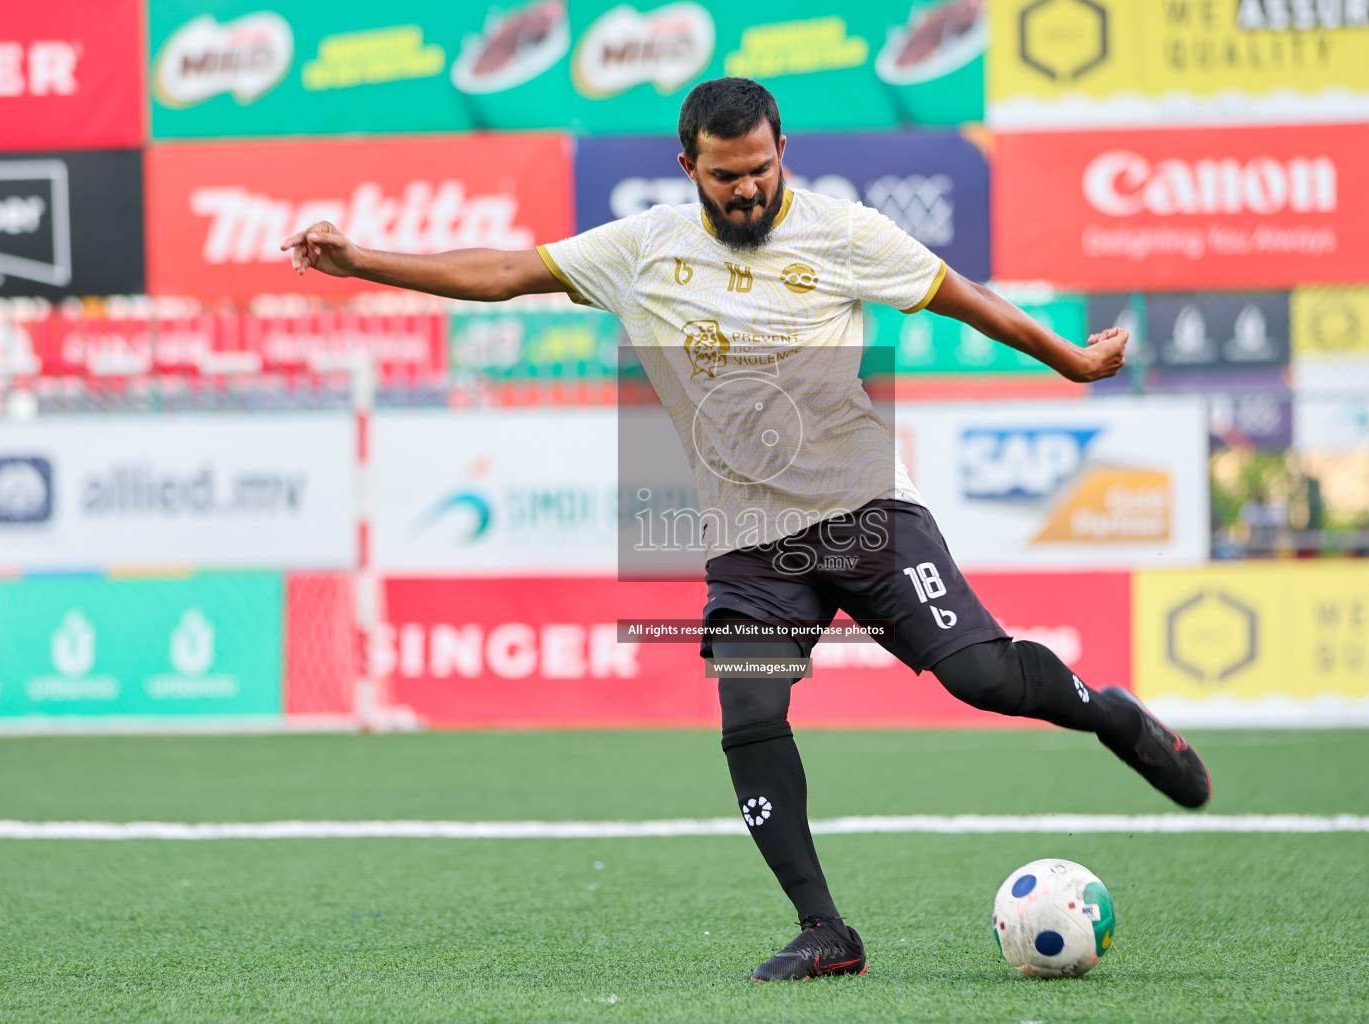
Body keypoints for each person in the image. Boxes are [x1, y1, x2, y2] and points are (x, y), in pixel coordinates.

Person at [281, 77, 1210, 981]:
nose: (748, 188)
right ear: (688, 166)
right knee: (752, 714)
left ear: (781, 154)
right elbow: (504, 273)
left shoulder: (841, 232)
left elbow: (965, 297)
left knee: (981, 677)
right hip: (751, 543)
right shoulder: (643, 248)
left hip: (868, 513)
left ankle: (1111, 714)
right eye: (727, 174)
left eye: (762, 167)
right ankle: (825, 931)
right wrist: (362, 262)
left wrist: (1070, 361)